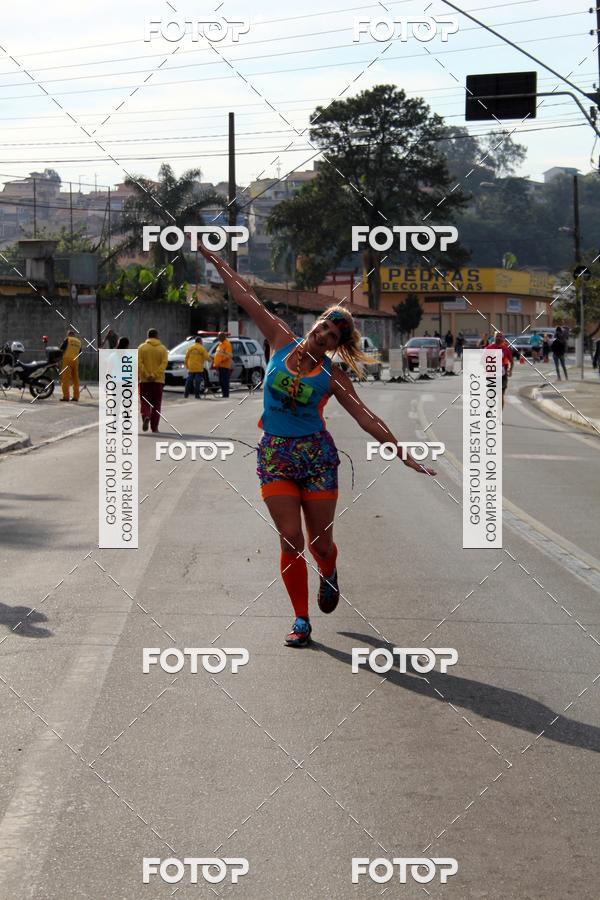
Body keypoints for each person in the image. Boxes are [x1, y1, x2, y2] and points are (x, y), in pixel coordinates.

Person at [196, 244, 435, 648]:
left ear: (336, 344)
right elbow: (246, 296)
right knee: (290, 539)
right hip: (275, 456)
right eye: (324, 325)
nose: (324, 334)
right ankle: (301, 619)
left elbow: (365, 417)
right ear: (316, 324)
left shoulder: (333, 376)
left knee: (319, 542)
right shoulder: (280, 340)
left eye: (333, 335)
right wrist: (216, 260)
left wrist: (401, 450)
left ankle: (329, 569)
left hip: (318, 460)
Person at [138, 328, 168, 432]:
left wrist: (146, 374)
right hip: (158, 381)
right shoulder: (163, 349)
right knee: (156, 404)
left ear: (148, 336)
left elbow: (139, 363)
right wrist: (155, 375)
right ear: (157, 336)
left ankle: (146, 415)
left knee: (145, 402)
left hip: (144, 381)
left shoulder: (141, 348)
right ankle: (154, 428)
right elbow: (164, 364)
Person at [488, 332, 514, 409]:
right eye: (497, 336)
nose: (498, 338)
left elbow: (511, 361)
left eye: (500, 336)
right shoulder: (489, 348)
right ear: (494, 337)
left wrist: (510, 370)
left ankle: (499, 416)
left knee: (501, 395)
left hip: (502, 375)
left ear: (502, 338)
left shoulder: (506, 349)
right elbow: (482, 361)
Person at [59, 329, 82, 401]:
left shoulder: (67, 339)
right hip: (75, 360)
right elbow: (79, 351)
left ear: (68, 334)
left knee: (65, 378)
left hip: (67, 359)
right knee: (75, 379)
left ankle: (66, 396)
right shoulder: (79, 342)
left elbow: (61, 348)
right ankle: (76, 397)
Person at [212, 331, 233, 398]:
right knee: (221, 381)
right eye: (218, 337)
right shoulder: (221, 344)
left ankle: (225, 394)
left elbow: (228, 355)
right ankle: (224, 394)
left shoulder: (227, 344)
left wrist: (220, 361)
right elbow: (219, 354)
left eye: (219, 336)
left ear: (223, 337)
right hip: (220, 365)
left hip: (224, 366)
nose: (218, 338)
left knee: (224, 381)